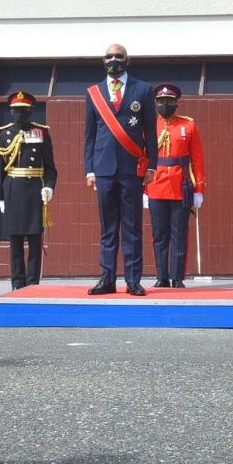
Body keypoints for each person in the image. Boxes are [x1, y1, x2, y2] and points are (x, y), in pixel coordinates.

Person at [84, 44, 157, 296]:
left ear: (128, 60)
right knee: (108, 229)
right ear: (102, 60)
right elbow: (90, 135)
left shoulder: (143, 90)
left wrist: (153, 166)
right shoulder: (94, 93)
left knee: (133, 227)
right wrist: (89, 170)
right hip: (103, 168)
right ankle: (107, 278)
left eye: (118, 56)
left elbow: (151, 131)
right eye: (109, 56)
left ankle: (133, 280)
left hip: (132, 168)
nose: (113, 60)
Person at [143, 83, 205, 288]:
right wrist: (143, 188)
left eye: (169, 101)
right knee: (159, 235)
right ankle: (161, 276)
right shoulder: (149, 126)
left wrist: (199, 190)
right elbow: (142, 158)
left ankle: (177, 277)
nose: (165, 105)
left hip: (181, 186)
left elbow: (197, 160)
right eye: (161, 102)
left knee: (179, 234)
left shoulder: (188, 126)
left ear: (176, 103)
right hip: (155, 186)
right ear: (155, 103)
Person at [0, 90, 57, 289]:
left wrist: (49, 187)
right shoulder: (3, 135)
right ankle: (17, 283)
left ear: (31, 111)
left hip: (34, 190)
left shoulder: (41, 133)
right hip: (13, 188)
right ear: (11, 112)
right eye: (15, 110)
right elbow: (0, 171)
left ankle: (33, 283)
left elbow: (50, 167)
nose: (19, 114)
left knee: (35, 239)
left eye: (23, 110)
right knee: (15, 239)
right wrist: (1, 197)